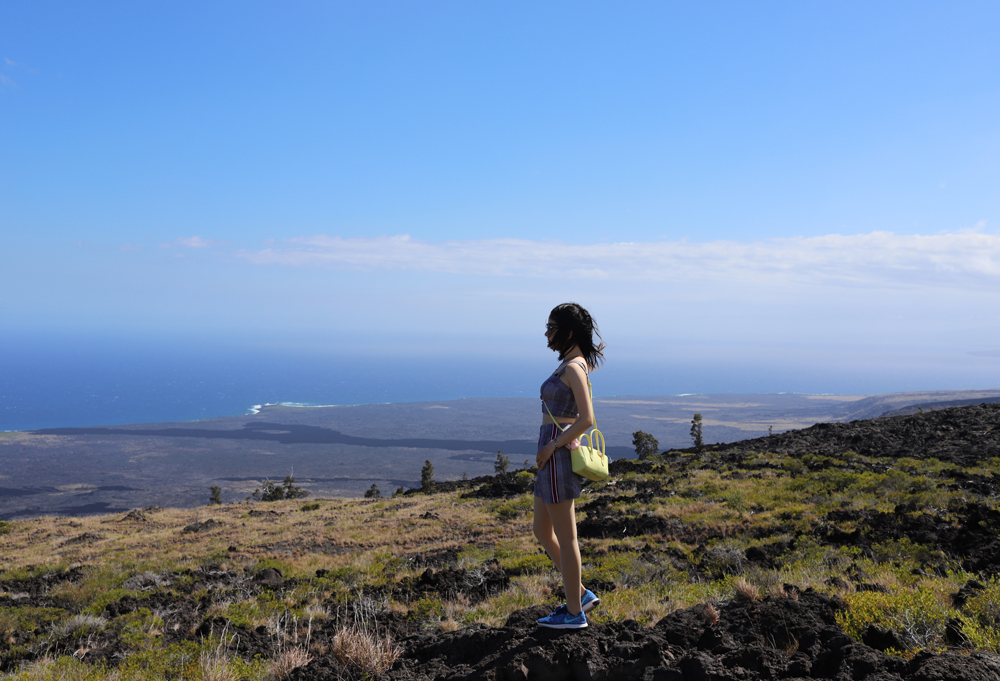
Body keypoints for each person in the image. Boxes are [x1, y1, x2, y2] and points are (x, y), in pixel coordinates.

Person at [534, 302, 605, 629]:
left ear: (569, 332)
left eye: (552, 328)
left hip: (557, 455)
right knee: (541, 530)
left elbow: (587, 419)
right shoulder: (570, 363)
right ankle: (580, 594)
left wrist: (552, 445)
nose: (547, 334)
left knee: (567, 536)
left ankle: (574, 612)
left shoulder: (574, 367)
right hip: (552, 454)